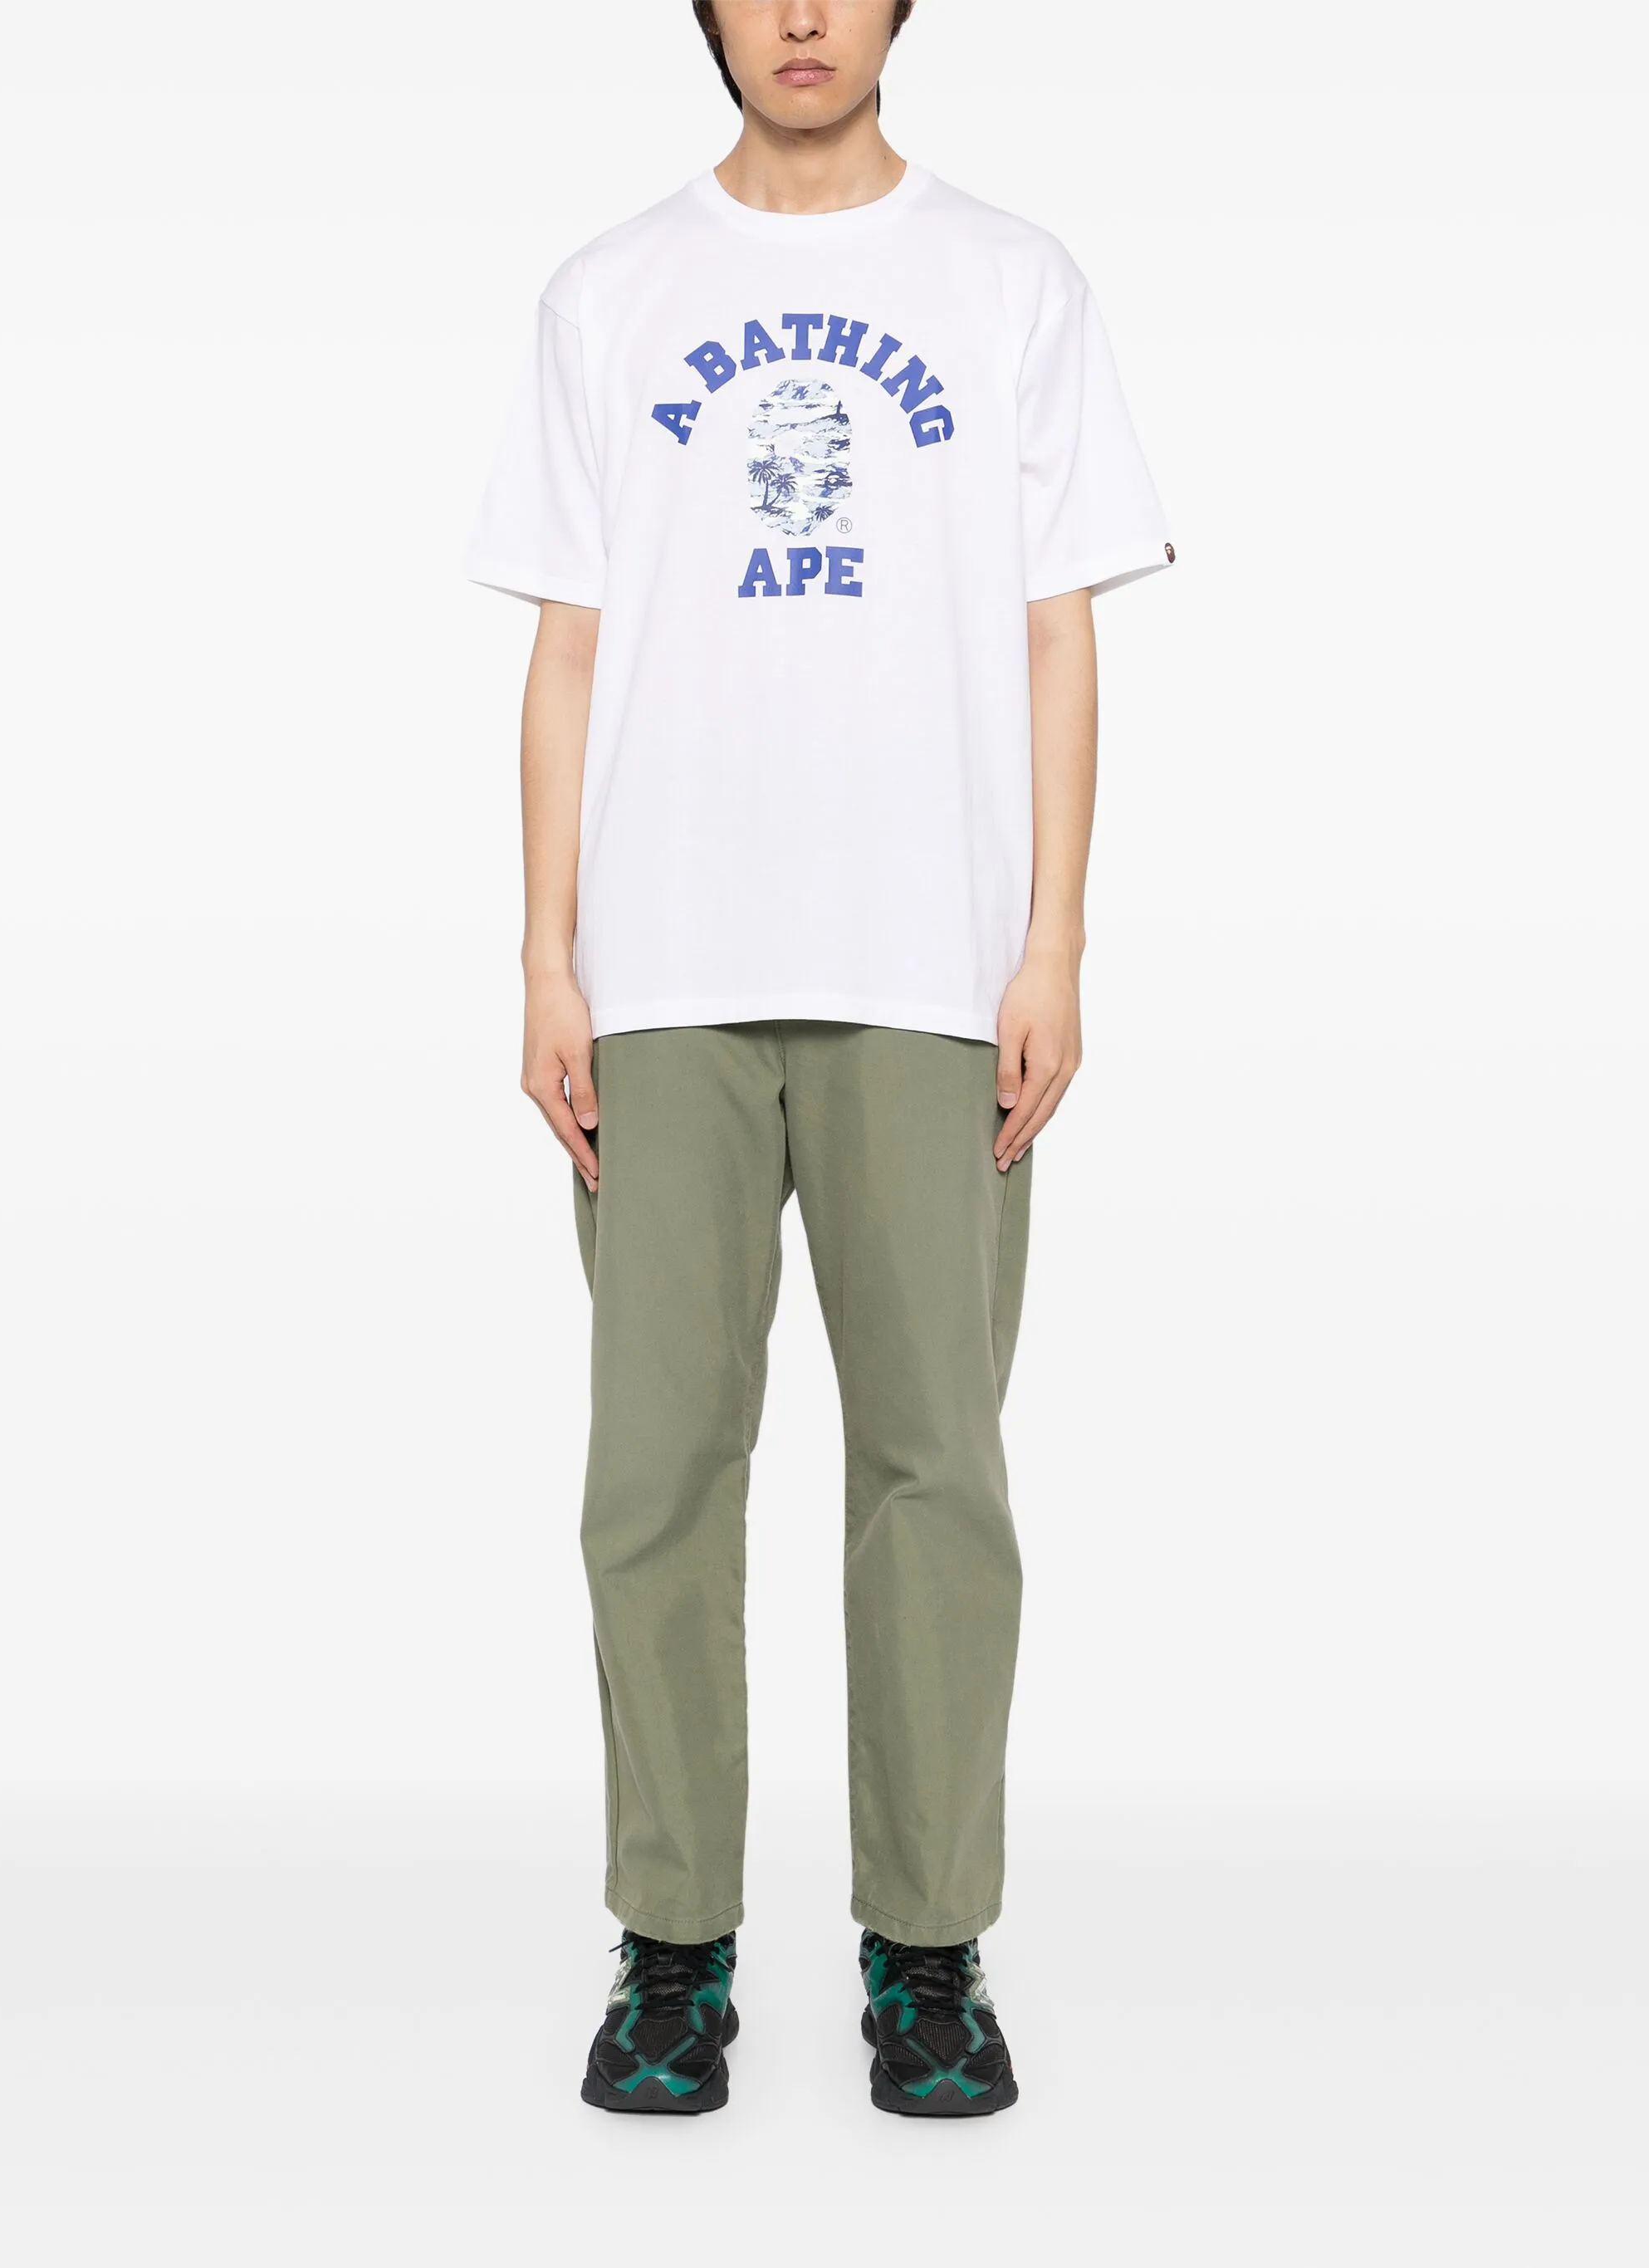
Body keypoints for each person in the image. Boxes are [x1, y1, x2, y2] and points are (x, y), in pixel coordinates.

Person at [466, 0, 1172, 2119]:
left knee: (935, 1469)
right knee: (655, 1476)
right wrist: (546, 956)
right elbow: (568, 643)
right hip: (664, 966)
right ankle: (671, 1945)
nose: (799, 15)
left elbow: (1056, 628)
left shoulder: (1011, 280)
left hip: (929, 964)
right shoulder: (608, 292)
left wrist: (1052, 938)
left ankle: (926, 1949)